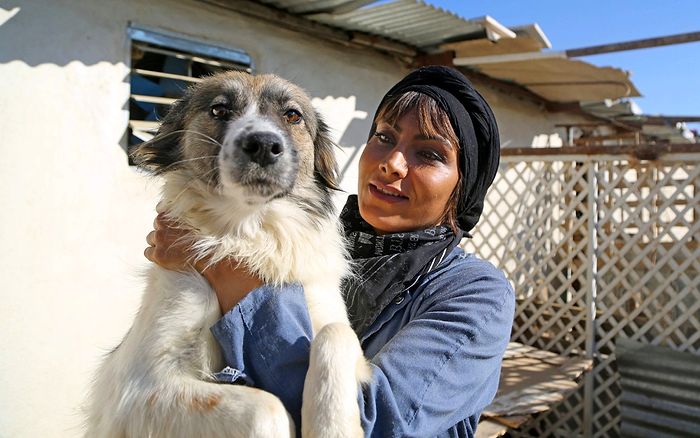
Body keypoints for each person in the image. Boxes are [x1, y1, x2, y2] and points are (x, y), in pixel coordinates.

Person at [146, 66, 515, 437]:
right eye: (385, 137)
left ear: (462, 188)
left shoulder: (476, 293)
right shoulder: (306, 244)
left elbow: (378, 422)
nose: (393, 163)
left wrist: (220, 270)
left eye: (429, 154)